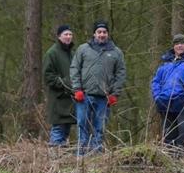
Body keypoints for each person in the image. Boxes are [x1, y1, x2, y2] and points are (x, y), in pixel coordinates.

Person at [70, 20, 126, 155]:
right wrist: (77, 89)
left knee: (100, 127)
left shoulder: (116, 52)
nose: (102, 35)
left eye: (104, 32)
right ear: (94, 34)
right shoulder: (83, 49)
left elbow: (121, 74)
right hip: (84, 95)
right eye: (99, 32)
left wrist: (115, 94)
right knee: (82, 124)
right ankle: (81, 154)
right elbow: (74, 69)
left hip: (104, 97)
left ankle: (97, 155)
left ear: (108, 34)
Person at [151, 34, 184, 148]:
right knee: (168, 133)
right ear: (173, 46)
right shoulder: (165, 62)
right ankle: (169, 157)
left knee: (183, 133)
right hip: (165, 102)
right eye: (177, 44)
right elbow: (155, 81)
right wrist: (157, 97)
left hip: (183, 102)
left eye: (182, 43)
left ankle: (182, 157)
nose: (179, 46)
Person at [43, 24, 76, 146]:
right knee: (58, 129)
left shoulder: (73, 53)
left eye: (70, 34)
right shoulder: (51, 53)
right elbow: (48, 77)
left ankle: (60, 161)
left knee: (66, 130)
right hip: (58, 99)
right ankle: (53, 161)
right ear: (59, 36)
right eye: (65, 34)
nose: (68, 37)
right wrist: (65, 83)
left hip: (70, 100)